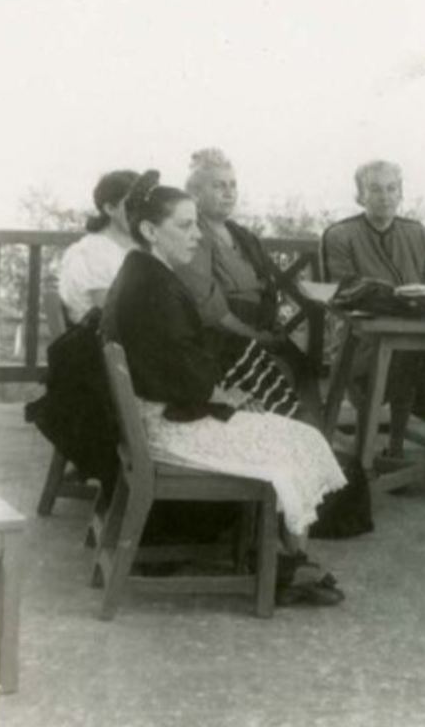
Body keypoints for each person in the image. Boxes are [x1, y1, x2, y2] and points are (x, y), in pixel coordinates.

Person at [101, 172, 347, 606]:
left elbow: (176, 364)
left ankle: (286, 557)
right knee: (296, 439)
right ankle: (287, 567)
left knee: (288, 433)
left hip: (151, 418)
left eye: (196, 224)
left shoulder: (144, 273)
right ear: (149, 231)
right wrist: (222, 395)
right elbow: (186, 377)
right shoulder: (155, 289)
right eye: (185, 226)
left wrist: (217, 391)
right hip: (165, 430)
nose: (197, 236)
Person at [320, 160, 425, 457]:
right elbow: (345, 292)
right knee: (418, 354)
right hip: (361, 343)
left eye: (392, 188)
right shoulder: (341, 235)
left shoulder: (417, 233)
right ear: (360, 196)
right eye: (375, 189)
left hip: (414, 339)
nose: (385, 196)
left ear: (401, 193)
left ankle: (405, 445)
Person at [176, 148, 301, 418]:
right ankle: (300, 443)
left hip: (254, 332)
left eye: (233, 185)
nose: (229, 192)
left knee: (304, 365)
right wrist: (257, 337)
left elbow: (267, 286)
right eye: (218, 186)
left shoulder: (240, 235)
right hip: (221, 343)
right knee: (286, 373)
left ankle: (313, 442)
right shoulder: (193, 237)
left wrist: (270, 330)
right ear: (195, 194)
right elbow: (208, 310)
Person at [58, 169, 140, 323]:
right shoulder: (93, 252)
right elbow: (112, 314)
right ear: (110, 209)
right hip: (99, 340)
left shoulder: (134, 245)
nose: (141, 213)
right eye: (132, 205)